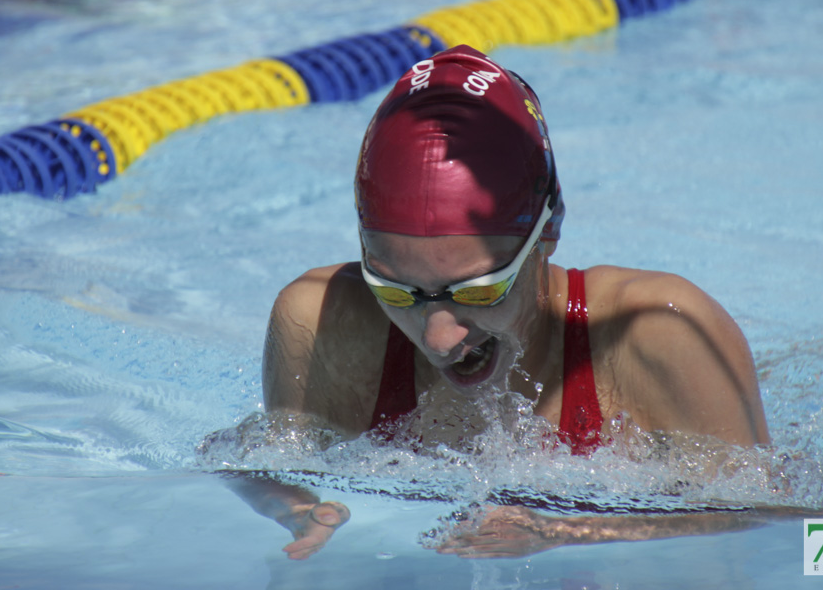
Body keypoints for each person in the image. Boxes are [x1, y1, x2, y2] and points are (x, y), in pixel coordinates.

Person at [231, 45, 771, 560]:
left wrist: (570, 533)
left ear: (549, 229)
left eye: (480, 292)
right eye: (397, 292)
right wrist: (292, 508)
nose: (440, 337)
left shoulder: (659, 336)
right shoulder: (321, 323)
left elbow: (773, 533)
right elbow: (260, 469)